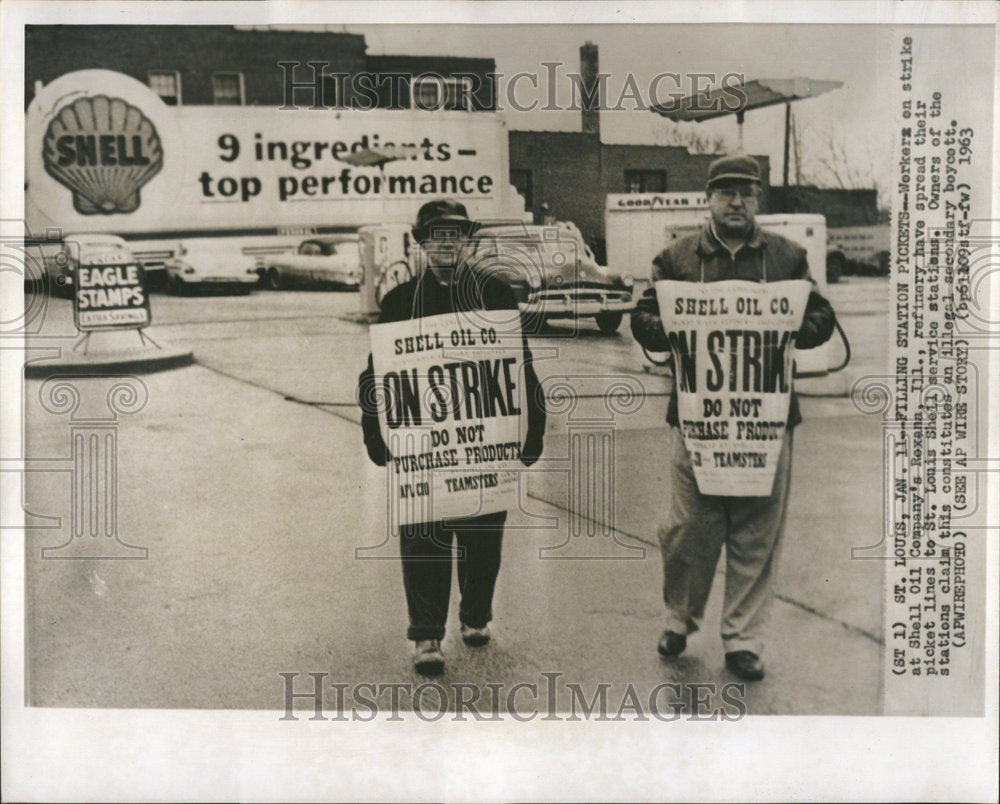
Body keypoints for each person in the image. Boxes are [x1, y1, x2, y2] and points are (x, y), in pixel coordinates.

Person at [630, 154, 836, 681]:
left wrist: (796, 323)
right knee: (687, 528)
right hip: (698, 417)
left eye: (746, 192)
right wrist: (669, 324)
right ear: (709, 199)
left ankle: (743, 638)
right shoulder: (676, 258)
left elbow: (818, 317)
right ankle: (679, 617)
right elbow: (645, 318)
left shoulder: (788, 257)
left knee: (756, 533)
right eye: (726, 193)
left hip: (767, 417)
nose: (737, 202)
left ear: (758, 199)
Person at [357, 199, 546, 676]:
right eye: (436, 235)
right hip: (424, 445)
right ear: (421, 243)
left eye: (455, 235)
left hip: (485, 440)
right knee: (424, 535)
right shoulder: (400, 300)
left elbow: (518, 364)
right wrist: (375, 433)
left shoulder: (495, 293)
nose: (446, 243)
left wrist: (533, 426)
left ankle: (475, 615)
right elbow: (378, 371)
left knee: (483, 535)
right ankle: (425, 634)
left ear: (467, 242)